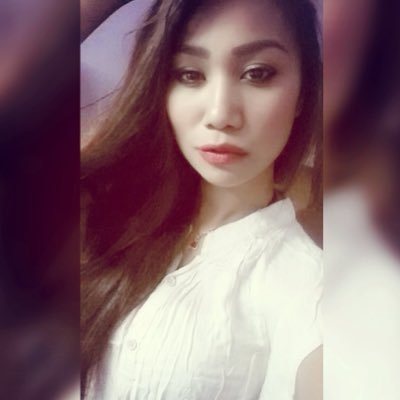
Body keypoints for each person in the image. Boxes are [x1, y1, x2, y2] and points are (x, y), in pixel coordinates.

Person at [81, 0, 322, 399]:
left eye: (257, 73)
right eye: (190, 74)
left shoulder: (307, 289)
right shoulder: (109, 217)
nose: (220, 114)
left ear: (303, 93)